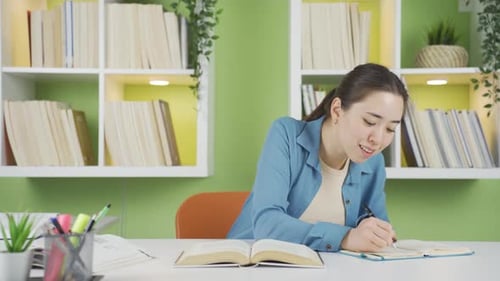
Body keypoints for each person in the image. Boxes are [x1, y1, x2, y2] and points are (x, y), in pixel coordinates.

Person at [227, 63, 409, 253]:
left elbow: (379, 228)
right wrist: (346, 237)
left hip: (326, 269)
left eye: (390, 129)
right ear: (337, 110)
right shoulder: (287, 135)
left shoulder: (373, 162)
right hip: (251, 264)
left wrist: (379, 236)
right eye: (369, 122)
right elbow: (267, 224)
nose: (378, 140)